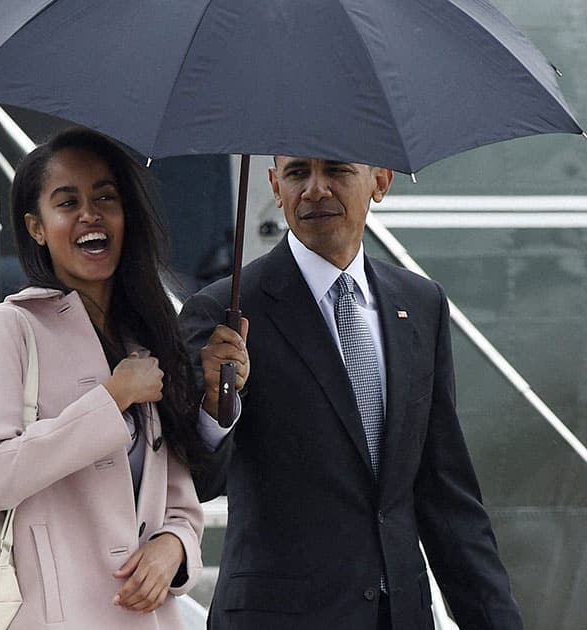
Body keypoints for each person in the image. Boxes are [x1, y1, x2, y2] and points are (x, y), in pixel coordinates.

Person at [179, 156, 524, 630]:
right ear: (275, 187)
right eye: (298, 173)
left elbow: (447, 500)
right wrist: (215, 409)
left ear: (380, 181)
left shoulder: (421, 305)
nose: (315, 189)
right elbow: (194, 480)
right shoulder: (223, 311)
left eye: (337, 170)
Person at [0, 128, 247, 629]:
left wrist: (173, 549)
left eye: (105, 198)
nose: (90, 214)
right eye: (67, 202)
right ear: (36, 227)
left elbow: (180, 505)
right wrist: (111, 398)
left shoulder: (148, 338)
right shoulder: (5, 330)